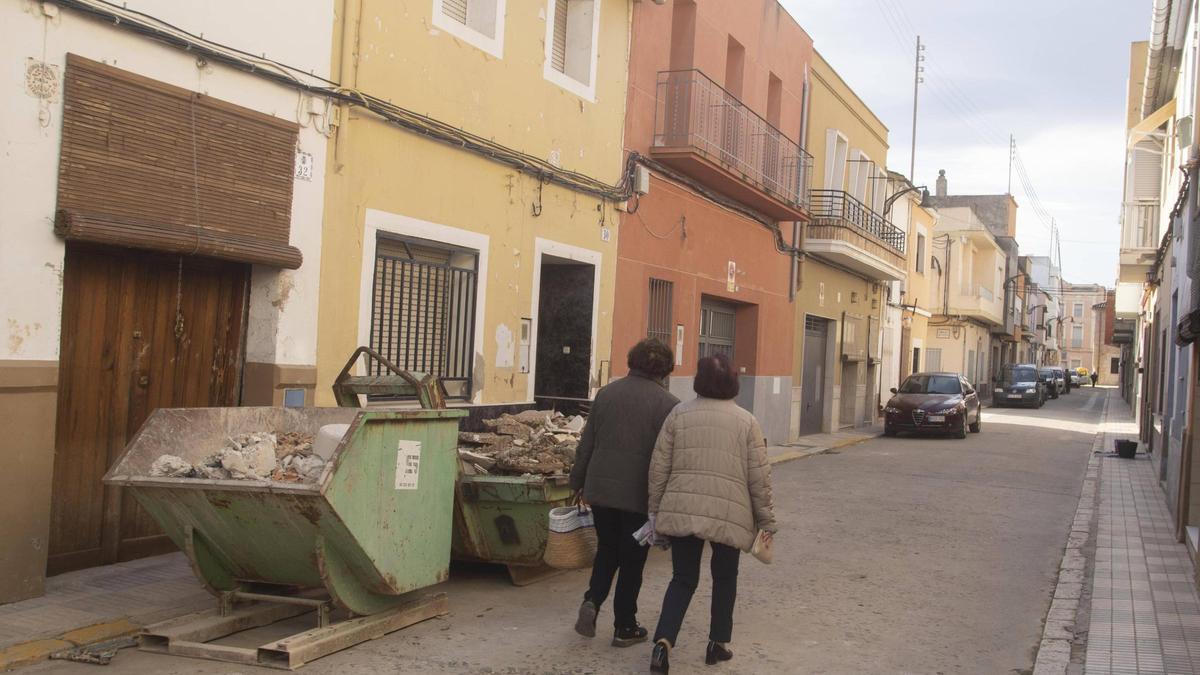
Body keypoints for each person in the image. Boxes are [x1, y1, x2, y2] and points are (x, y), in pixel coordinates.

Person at [646, 352, 776, 673]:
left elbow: (658, 468)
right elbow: (759, 478)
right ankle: (717, 644)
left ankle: (663, 643)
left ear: (699, 381)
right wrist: (766, 521)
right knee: (725, 577)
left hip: (684, 511)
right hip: (729, 514)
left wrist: (656, 511)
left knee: (683, 578)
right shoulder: (746, 421)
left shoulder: (678, 414)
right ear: (733, 382)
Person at [569, 338, 680, 647]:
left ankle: (592, 600)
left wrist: (576, 482)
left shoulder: (606, 395)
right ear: (665, 369)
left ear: (632, 361)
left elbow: (586, 444)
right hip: (639, 497)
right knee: (632, 561)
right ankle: (625, 627)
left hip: (601, 490)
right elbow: (667, 459)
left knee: (607, 549)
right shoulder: (669, 405)